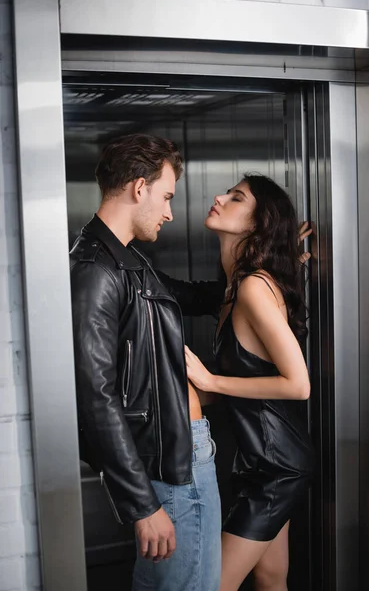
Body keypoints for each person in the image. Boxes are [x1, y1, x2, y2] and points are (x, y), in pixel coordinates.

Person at [69, 133, 223, 591]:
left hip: (178, 456)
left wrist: (265, 268)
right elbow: (95, 398)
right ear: (140, 188)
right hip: (167, 471)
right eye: (167, 196)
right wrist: (143, 505)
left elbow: (188, 295)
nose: (170, 212)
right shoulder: (96, 271)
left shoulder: (127, 261)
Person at [185, 174, 315, 591]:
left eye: (236, 197)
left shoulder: (253, 289)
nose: (219, 198)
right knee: (271, 578)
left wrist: (212, 381)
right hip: (261, 461)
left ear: (258, 224)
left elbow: (298, 385)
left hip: (276, 468)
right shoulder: (237, 286)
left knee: (212, 584)